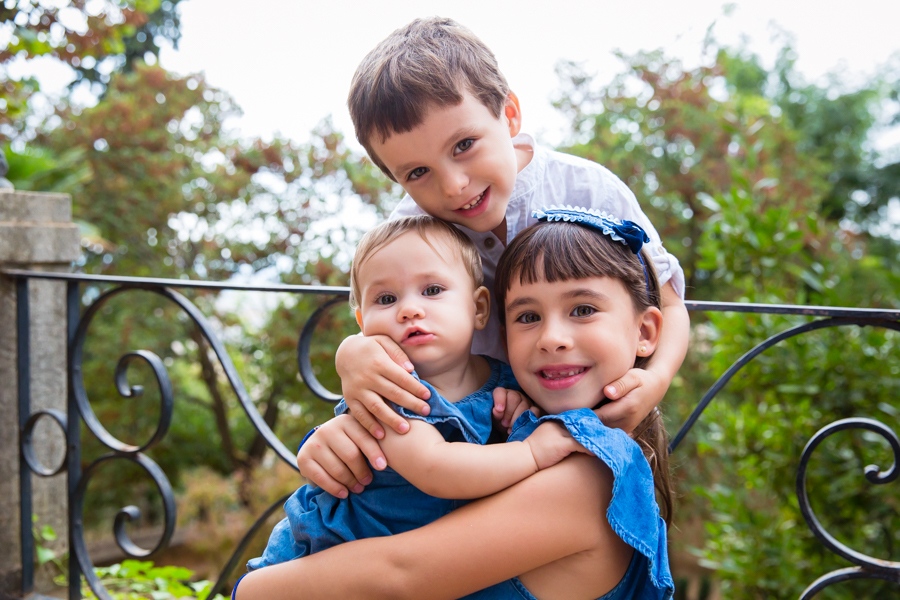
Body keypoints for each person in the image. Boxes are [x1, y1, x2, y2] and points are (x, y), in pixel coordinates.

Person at [307, 17, 690, 502]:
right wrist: (353, 354)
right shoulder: (414, 232)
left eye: (464, 146)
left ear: (509, 116)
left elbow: (670, 306)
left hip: (602, 417)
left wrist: (653, 382)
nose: (453, 185)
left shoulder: (587, 188)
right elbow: (385, 318)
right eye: (418, 172)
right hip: (477, 444)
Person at [237, 207, 676, 599]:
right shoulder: (515, 417)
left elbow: (399, 577)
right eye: (527, 317)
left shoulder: (588, 473)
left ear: (646, 331)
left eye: (583, 309)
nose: (552, 339)